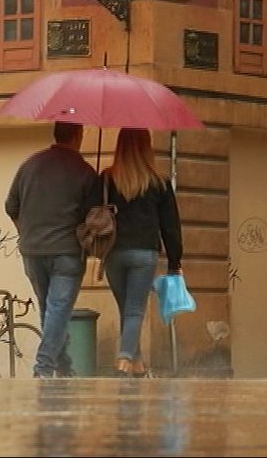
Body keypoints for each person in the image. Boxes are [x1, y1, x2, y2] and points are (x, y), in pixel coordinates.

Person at [5, 121, 98, 378]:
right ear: (79, 135)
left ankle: (64, 368)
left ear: (55, 134)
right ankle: (44, 368)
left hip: (32, 251)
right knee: (57, 309)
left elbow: (11, 206)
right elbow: (91, 218)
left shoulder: (30, 165)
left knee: (49, 311)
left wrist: (25, 231)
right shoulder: (85, 172)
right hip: (67, 251)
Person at [101, 128, 183, 378]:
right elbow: (170, 225)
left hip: (113, 251)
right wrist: (174, 261)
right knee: (135, 310)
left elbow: (92, 210)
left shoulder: (107, 178)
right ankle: (124, 360)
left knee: (126, 309)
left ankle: (137, 364)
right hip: (144, 253)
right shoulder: (158, 182)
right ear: (147, 147)